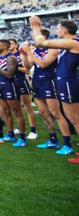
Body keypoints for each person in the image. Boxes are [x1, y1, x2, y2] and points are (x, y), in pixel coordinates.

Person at [30, 16, 79, 161]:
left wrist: (36, 26)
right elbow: (39, 44)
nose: (56, 31)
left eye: (58, 29)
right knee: (73, 117)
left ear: (64, 31)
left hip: (69, 82)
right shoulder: (68, 44)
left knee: (74, 119)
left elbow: (40, 42)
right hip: (64, 82)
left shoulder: (72, 42)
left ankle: (68, 145)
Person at [19, 31, 72, 153]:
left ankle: (67, 144)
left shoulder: (52, 49)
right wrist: (26, 56)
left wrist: (28, 52)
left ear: (43, 38)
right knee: (43, 112)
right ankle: (53, 140)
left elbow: (43, 64)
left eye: (34, 37)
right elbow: (28, 67)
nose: (32, 39)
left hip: (49, 81)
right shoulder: (36, 51)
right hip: (37, 82)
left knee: (55, 113)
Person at [0, 39, 27, 147]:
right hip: (1, 85)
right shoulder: (0, 58)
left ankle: (22, 138)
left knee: (17, 112)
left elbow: (9, 75)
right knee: (6, 111)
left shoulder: (11, 58)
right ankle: (10, 134)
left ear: (4, 47)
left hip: (10, 86)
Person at [9, 38, 38, 139]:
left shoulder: (20, 55)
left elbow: (26, 70)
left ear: (16, 45)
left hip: (21, 82)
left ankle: (33, 130)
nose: (9, 45)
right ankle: (20, 128)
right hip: (11, 83)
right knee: (16, 108)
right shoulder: (7, 56)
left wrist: (14, 67)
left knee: (27, 107)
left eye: (11, 44)